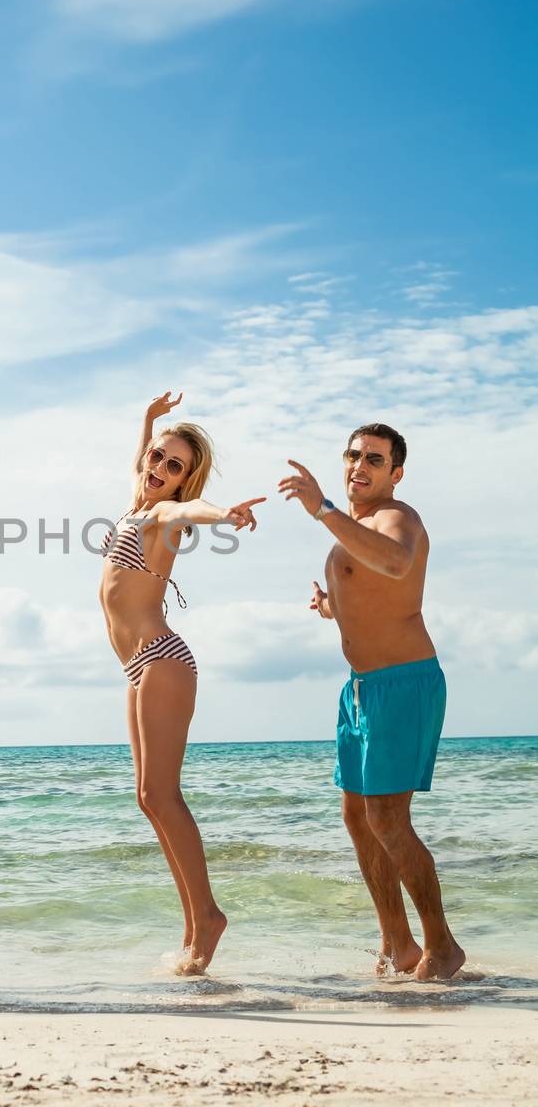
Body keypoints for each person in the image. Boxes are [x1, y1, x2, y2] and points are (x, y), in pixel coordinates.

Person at [279, 425, 464, 981]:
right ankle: (397, 943)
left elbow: (397, 565)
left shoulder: (397, 516)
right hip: (359, 688)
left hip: (404, 682)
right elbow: (370, 592)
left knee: (387, 817)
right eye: (354, 455)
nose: (361, 464)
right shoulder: (352, 529)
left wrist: (323, 509)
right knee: (358, 818)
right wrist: (331, 608)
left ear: (395, 473)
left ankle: (442, 946)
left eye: (375, 459)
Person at [100, 390, 265, 974]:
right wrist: (147, 420)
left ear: (184, 480)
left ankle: (208, 919)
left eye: (175, 467)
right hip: (136, 667)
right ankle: (196, 923)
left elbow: (192, 512)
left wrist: (227, 514)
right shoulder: (133, 506)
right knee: (149, 798)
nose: (160, 469)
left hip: (162, 660)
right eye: (157, 457)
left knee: (164, 796)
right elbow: (138, 459)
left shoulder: (164, 515)